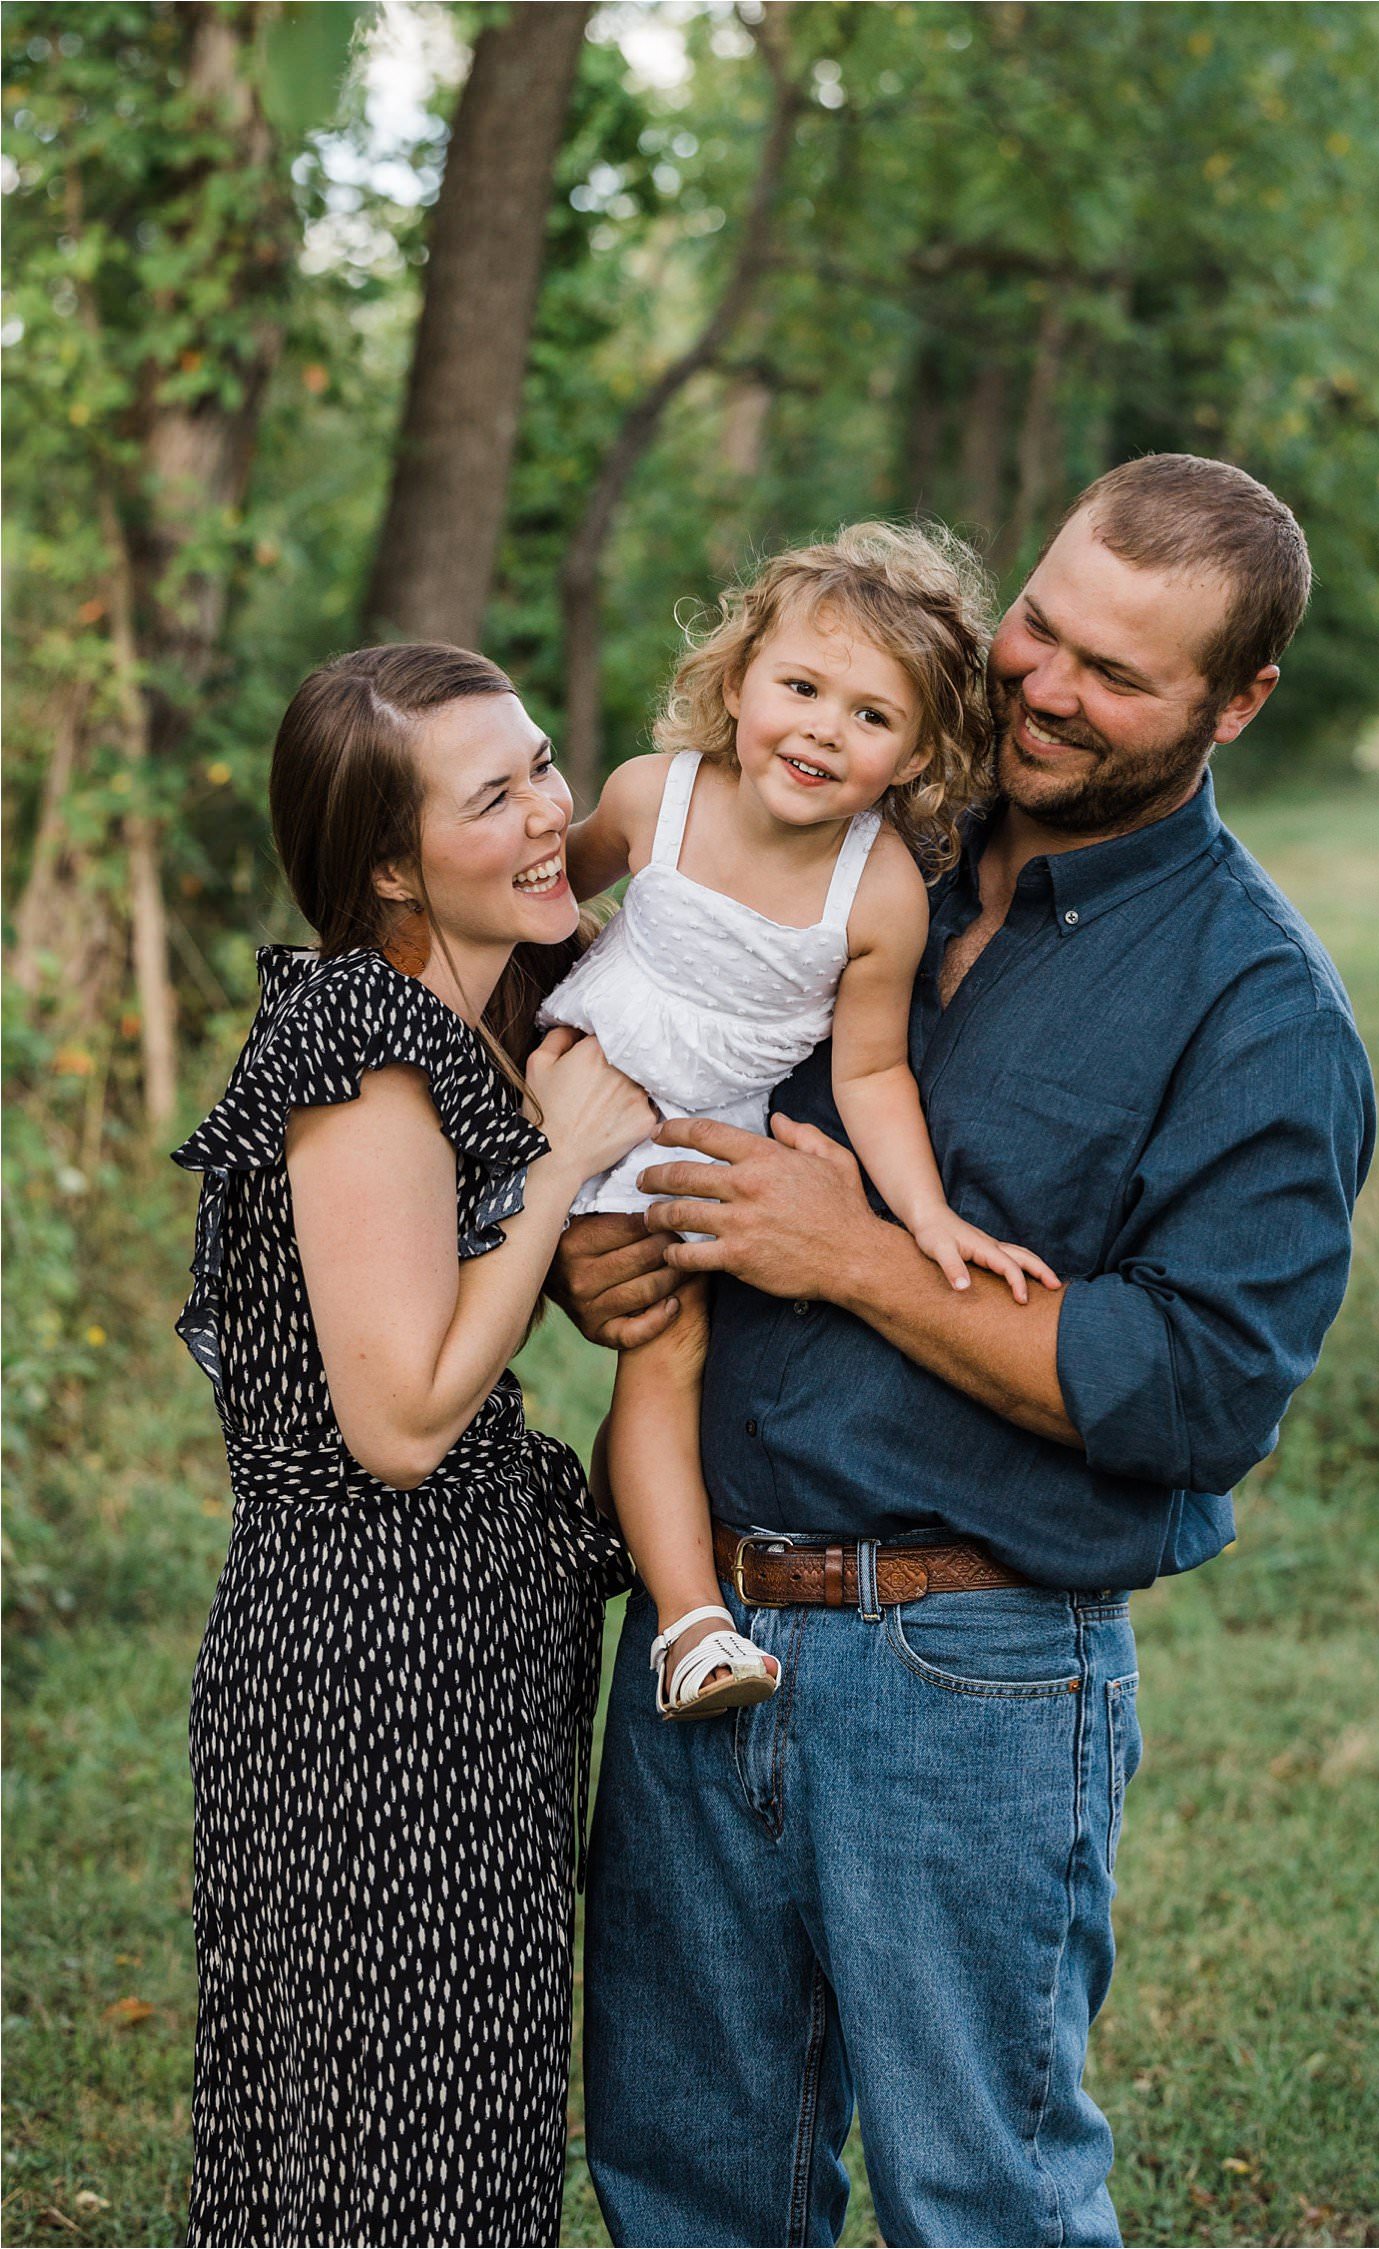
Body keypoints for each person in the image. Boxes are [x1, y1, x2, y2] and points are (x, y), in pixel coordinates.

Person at [557, 455, 1377, 2248]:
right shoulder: (851, 841)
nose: (1047, 687)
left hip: (969, 1670)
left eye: (1120, 674)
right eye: (1041, 629)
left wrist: (851, 1255)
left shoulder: (1255, 1006)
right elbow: (651, 1058)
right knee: (684, 2184)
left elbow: (1199, 1387)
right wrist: (601, 1255)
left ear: (1237, 703)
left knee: (978, 2200)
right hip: (701, 1617)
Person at [171, 644, 654, 2248]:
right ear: (388, 862)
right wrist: (563, 1165)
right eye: (494, 793)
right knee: (392, 2141)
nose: (549, 812)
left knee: (444, 2113)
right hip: (373, 1672)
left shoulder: (442, 1018)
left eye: (540, 761)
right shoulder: (366, 1064)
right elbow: (397, 1418)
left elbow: (647, 815)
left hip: (442, 1647)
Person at [541, 525, 1056, 1721]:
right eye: (802, 687)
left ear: (918, 754)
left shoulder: (876, 893)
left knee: (664, 1357)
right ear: (738, 683)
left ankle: (688, 1626)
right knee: (462, 1310)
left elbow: (872, 1075)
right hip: (559, 1083)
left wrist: (926, 1215)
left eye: (873, 716)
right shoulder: (650, 797)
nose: (825, 727)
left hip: (689, 1143)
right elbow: (540, 902)